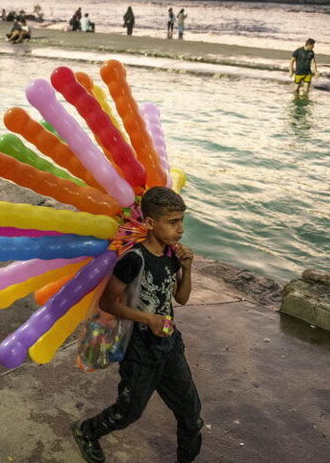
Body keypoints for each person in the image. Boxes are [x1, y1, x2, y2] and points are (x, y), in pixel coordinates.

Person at [72, 186, 202, 463]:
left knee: (191, 413)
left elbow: (182, 298)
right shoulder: (133, 260)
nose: (180, 229)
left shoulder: (170, 255)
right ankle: (86, 431)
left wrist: (187, 269)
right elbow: (108, 303)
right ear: (151, 223)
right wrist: (148, 319)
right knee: (128, 412)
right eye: (173, 222)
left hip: (169, 346)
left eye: (182, 221)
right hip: (140, 351)